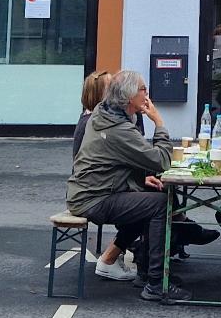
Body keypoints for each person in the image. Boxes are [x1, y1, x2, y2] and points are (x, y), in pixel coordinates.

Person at [65, 70, 212, 303]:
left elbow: (111, 162)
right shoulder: (118, 128)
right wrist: (159, 123)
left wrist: (140, 180)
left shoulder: (105, 113)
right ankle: (156, 284)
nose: (147, 94)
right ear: (128, 96)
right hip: (94, 199)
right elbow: (162, 160)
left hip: (89, 191)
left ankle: (145, 272)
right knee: (160, 204)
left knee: (153, 192)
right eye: (143, 89)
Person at [70, 69, 137, 281]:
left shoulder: (104, 119)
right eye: (111, 87)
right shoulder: (92, 123)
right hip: (97, 190)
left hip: (103, 185)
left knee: (150, 192)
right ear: (101, 95)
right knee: (151, 202)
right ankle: (120, 255)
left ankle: (177, 230)